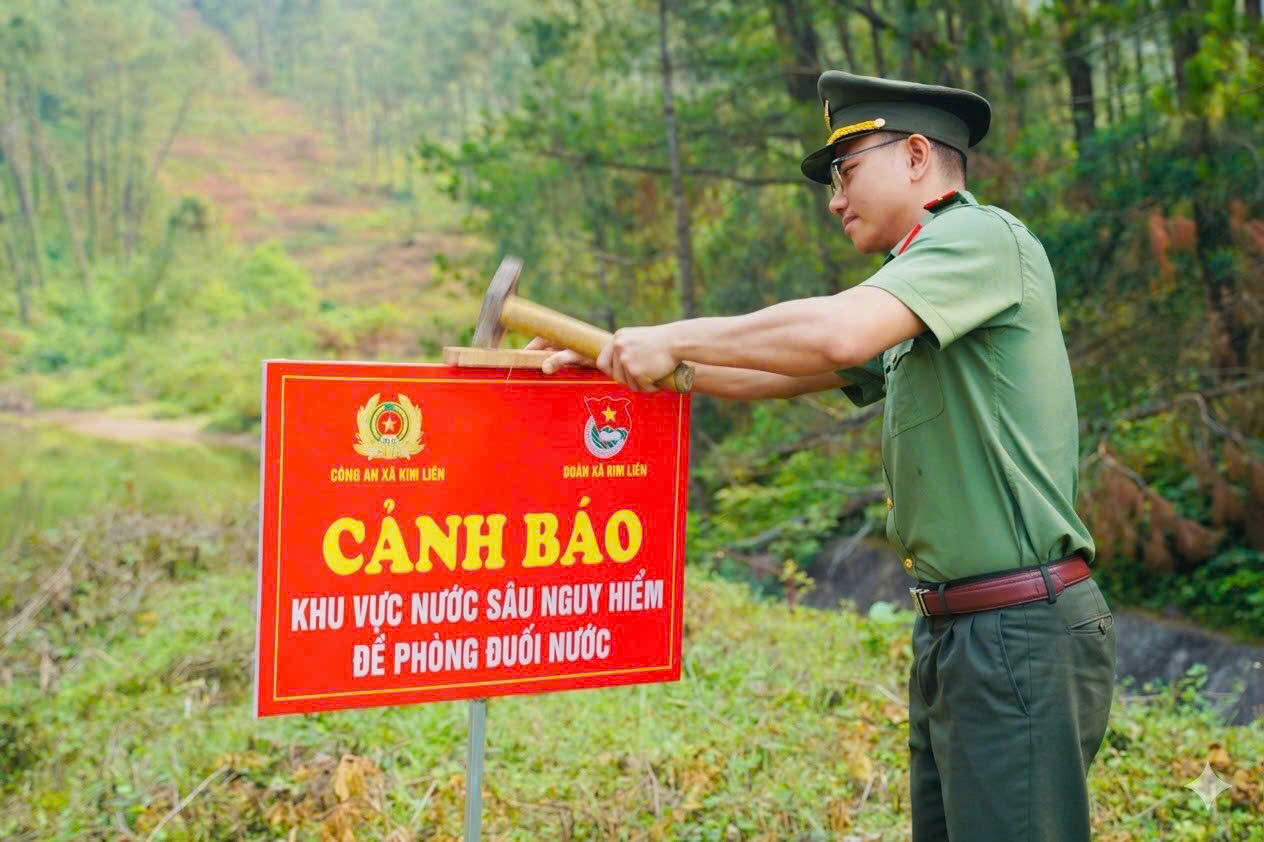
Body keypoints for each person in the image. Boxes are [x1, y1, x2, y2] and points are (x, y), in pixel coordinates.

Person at [533, 70, 1116, 841]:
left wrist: (670, 337)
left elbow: (835, 333)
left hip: (1018, 626)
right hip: (960, 633)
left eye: (845, 172)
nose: (836, 200)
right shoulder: (915, 287)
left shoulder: (978, 239)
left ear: (915, 156)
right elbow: (785, 371)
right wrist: (619, 358)